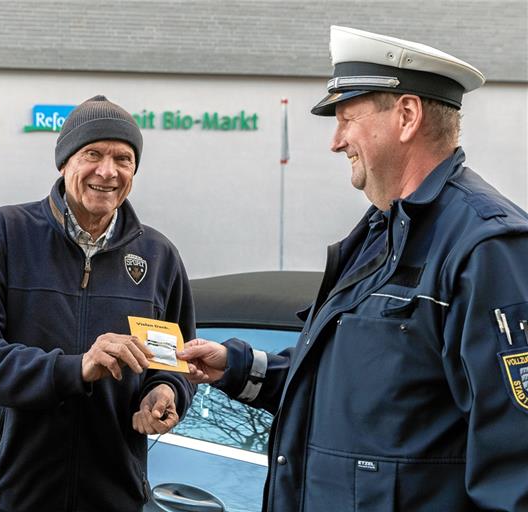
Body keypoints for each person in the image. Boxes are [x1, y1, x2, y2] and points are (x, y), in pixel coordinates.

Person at [178, 26, 528, 511]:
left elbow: (516, 470)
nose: (336, 142)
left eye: (347, 119)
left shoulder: (486, 247)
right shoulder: (377, 235)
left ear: (406, 116)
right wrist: (240, 369)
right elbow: (355, 400)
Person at [0, 95, 196, 512]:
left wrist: (165, 390)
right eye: (92, 153)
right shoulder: (3, 235)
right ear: (64, 162)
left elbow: (174, 358)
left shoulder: (158, 256)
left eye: (123, 158)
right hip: (10, 494)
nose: (107, 171)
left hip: (113, 496)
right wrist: (73, 369)